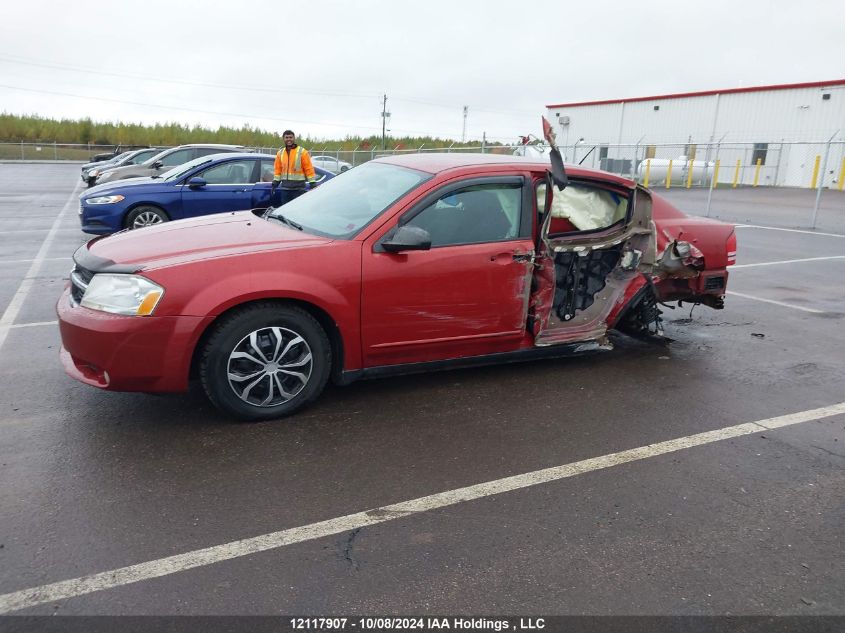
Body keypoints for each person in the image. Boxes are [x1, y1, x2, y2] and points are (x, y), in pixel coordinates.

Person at [271, 130, 318, 206]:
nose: (289, 139)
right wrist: (275, 182)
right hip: (285, 189)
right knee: (285, 211)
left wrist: (312, 182)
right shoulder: (280, 153)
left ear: (294, 138)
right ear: (283, 139)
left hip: (298, 189)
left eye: (291, 137)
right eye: (286, 137)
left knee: (297, 211)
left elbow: (308, 168)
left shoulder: (302, 152)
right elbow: (278, 169)